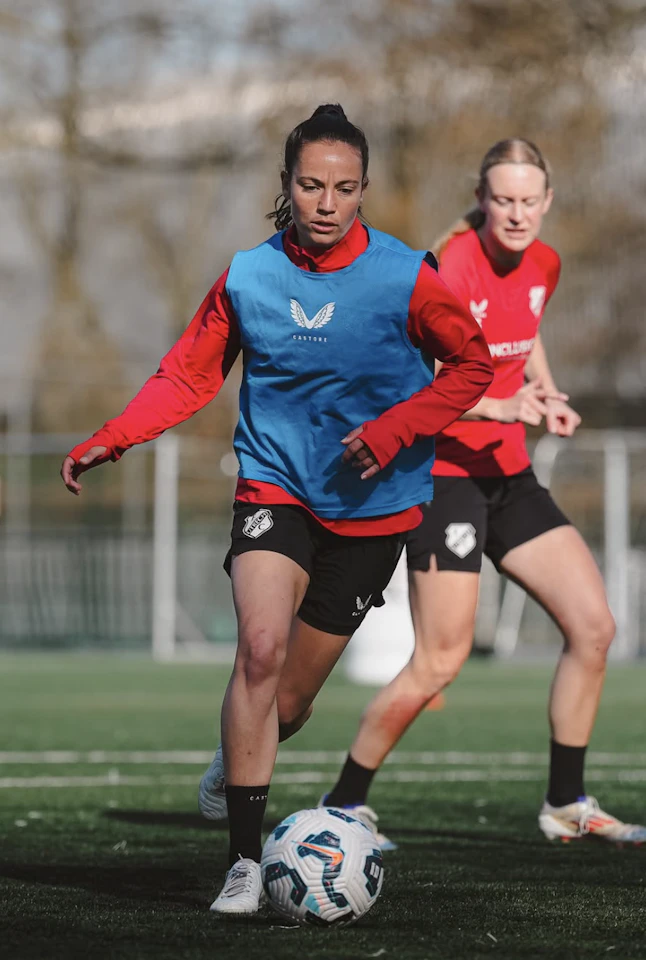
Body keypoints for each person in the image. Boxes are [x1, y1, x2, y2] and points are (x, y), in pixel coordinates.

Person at [61, 104, 493, 915]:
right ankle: (244, 866)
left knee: (288, 702)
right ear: (286, 185)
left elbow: (471, 366)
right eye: (310, 185)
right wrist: (112, 438)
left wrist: (397, 428)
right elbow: (188, 375)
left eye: (344, 188)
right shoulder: (248, 276)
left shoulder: (405, 277)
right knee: (258, 654)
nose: (326, 202)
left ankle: (236, 763)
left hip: (375, 511)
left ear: (363, 190)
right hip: (275, 489)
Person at [317, 138, 646, 848]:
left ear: (547, 201)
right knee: (440, 660)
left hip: (510, 476)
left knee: (594, 630)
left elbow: (523, 336)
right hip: (445, 479)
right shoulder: (447, 270)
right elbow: (411, 391)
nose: (518, 214)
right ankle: (343, 802)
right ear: (482, 197)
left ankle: (566, 804)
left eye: (530, 201)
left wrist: (542, 391)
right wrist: (497, 408)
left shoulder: (544, 263)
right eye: (504, 200)